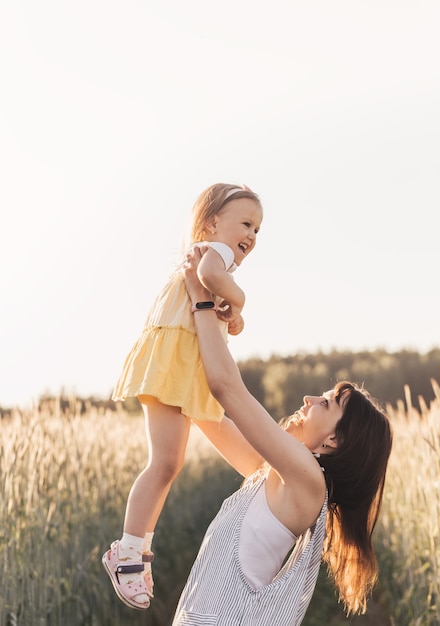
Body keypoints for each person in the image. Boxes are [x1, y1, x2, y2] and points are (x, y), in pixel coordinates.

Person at [170, 246, 393, 625]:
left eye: (325, 403)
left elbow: (227, 388)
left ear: (335, 441)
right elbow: (203, 409)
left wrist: (202, 301)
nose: (307, 399)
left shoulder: (308, 482)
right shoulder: (267, 474)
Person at [102, 183, 263, 610]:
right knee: (168, 461)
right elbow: (211, 278)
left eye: (258, 230)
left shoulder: (206, 256)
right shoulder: (216, 255)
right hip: (177, 364)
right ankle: (129, 551)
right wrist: (240, 301)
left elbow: (211, 296)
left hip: (181, 364)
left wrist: (232, 314)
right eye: (245, 223)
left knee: (189, 450)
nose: (251, 235)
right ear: (211, 222)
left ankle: (264, 484)